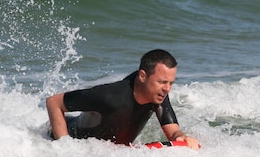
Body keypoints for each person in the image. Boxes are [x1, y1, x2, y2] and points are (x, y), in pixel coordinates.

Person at [46, 49, 200, 149]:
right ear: (142, 76)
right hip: (60, 137)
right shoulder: (109, 96)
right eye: (161, 82)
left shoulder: (158, 95)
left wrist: (182, 138)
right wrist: (65, 148)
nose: (167, 89)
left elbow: (174, 133)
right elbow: (54, 102)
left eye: (170, 83)